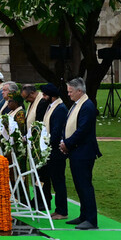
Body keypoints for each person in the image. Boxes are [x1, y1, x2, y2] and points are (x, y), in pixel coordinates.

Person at [59, 78, 101, 230]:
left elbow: (82, 130)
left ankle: (91, 219)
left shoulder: (87, 106)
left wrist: (67, 143)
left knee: (85, 185)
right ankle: (84, 215)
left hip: (84, 152)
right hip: (77, 150)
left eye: (70, 91)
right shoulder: (78, 104)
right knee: (79, 185)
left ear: (79, 91)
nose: (68, 94)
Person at [40, 83, 68, 219]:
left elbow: (56, 131)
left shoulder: (60, 108)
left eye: (45, 95)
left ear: (51, 96)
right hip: (49, 148)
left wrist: (47, 143)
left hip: (56, 150)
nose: (43, 97)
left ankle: (62, 211)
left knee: (58, 181)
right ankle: (58, 209)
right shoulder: (51, 107)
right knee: (55, 180)